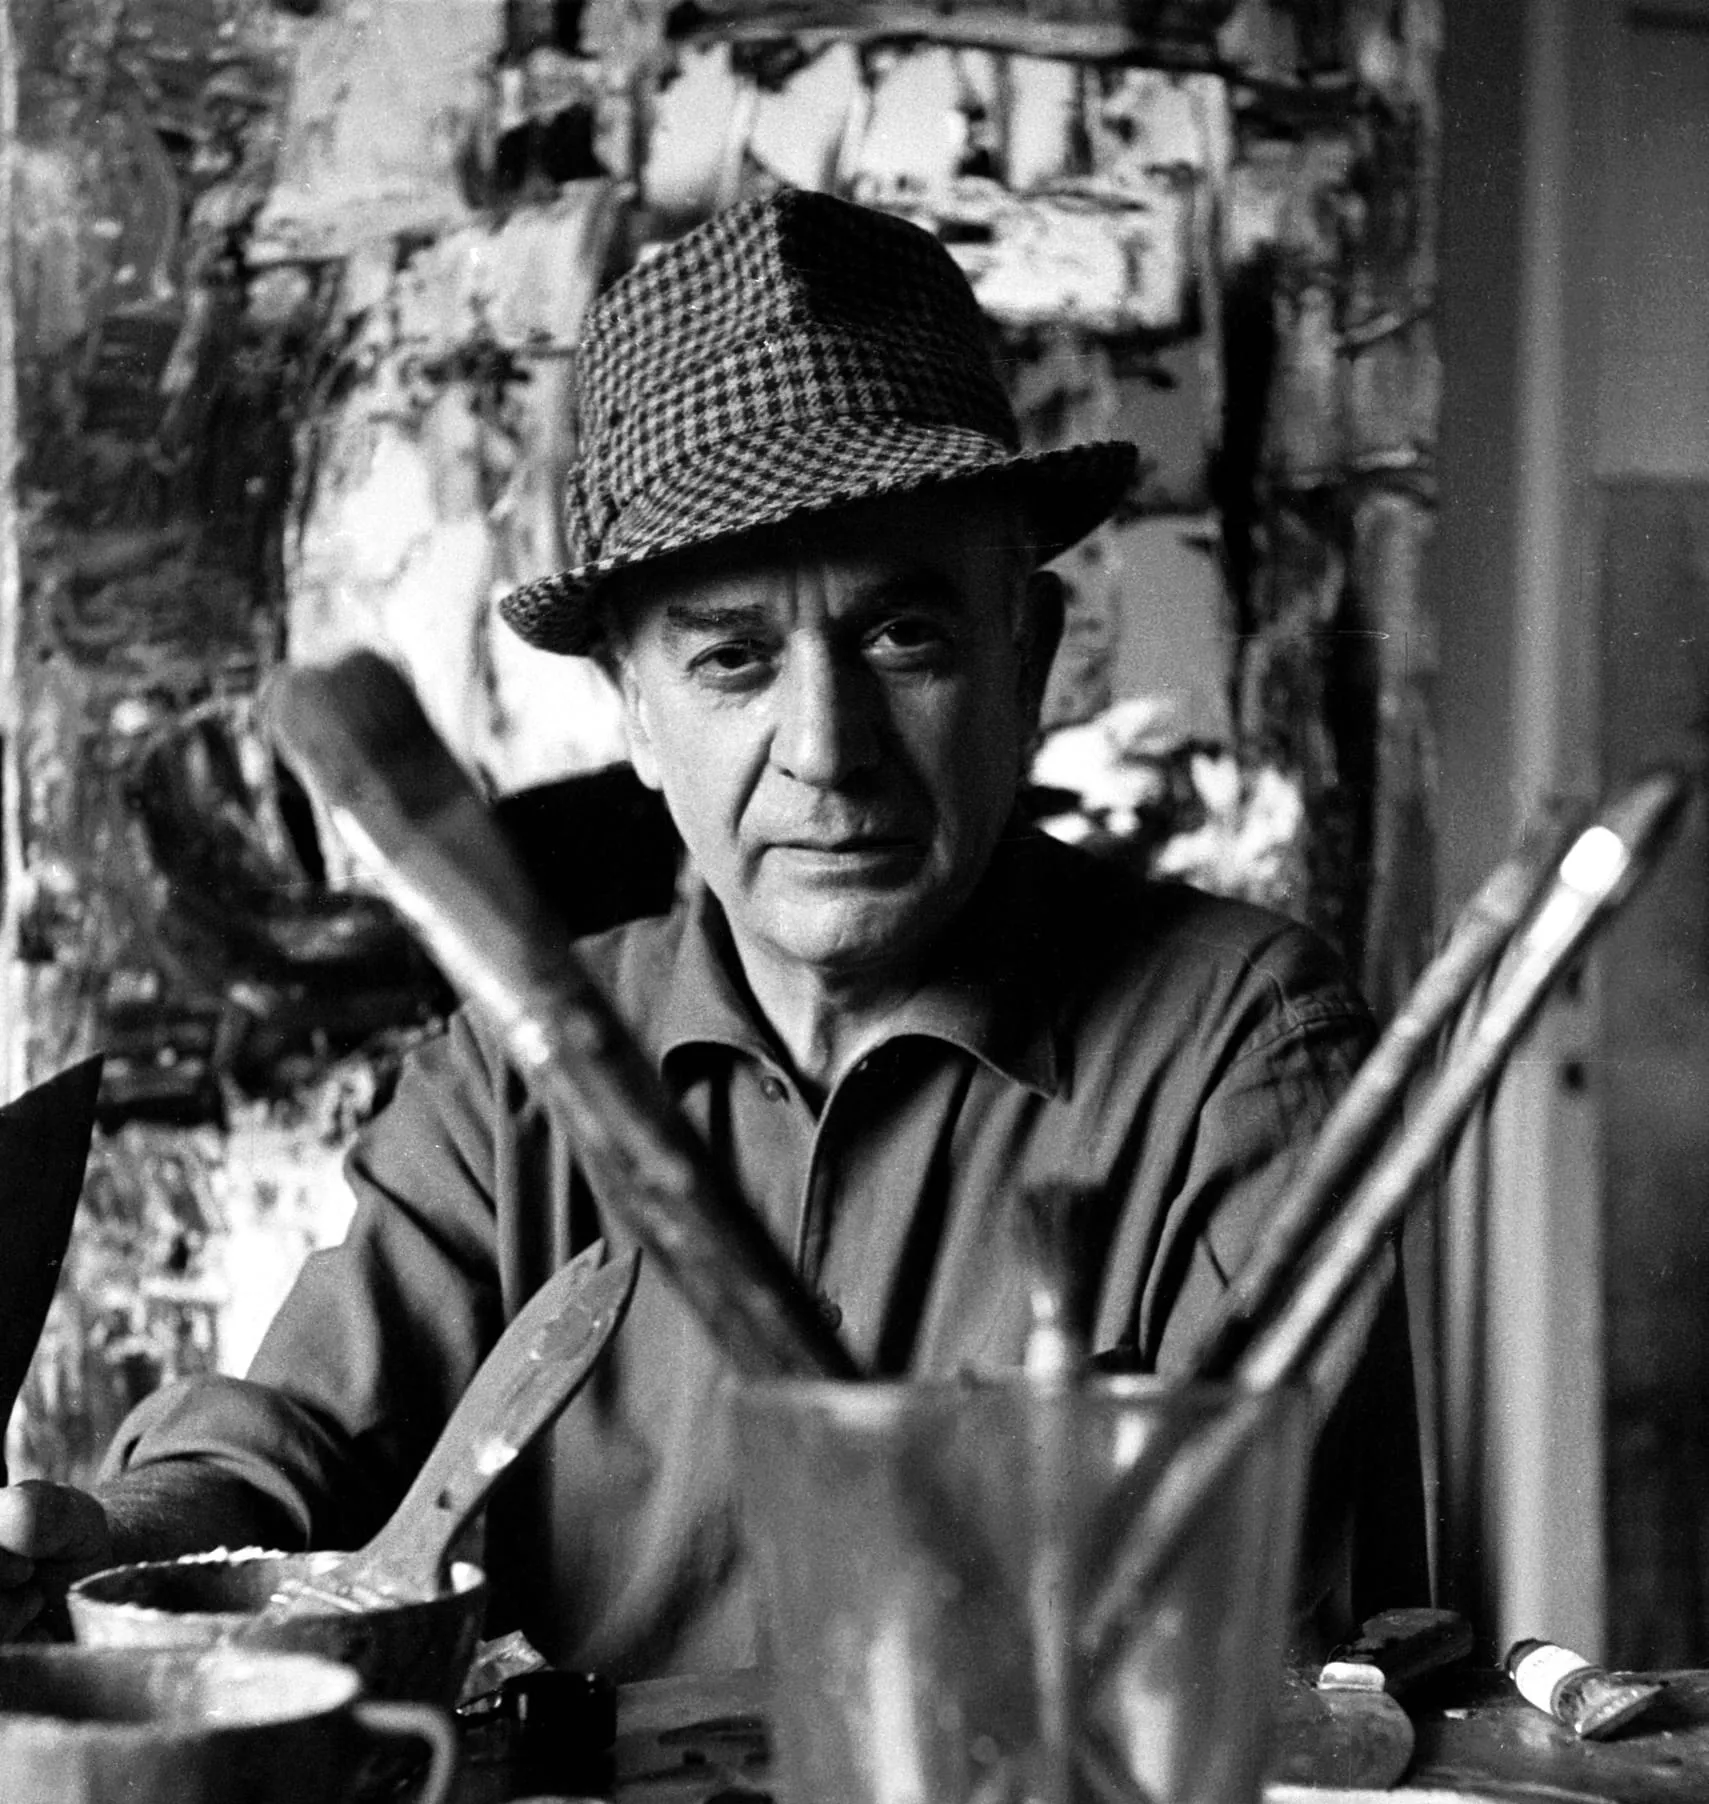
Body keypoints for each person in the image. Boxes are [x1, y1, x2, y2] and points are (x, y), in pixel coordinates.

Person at [0, 187, 1424, 1667]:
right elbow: (283, 1458)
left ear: (1028, 653)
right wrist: (116, 1545)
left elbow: (1254, 1676)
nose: (827, 749)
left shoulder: (1240, 1055)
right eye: (736, 659)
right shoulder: (508, 1088)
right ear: (634, 711)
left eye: (905, 636)